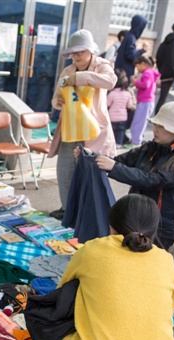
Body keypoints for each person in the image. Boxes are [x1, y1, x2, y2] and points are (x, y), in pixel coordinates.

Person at [50, 193, 174, 340]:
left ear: (111, 225)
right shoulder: (166, 261)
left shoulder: (92, 250)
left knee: (51, 328)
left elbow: (62, 293)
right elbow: (169, 309)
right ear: (154, 228)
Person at [95, 101, 174, 252]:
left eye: (161, 127)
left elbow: (154, 180)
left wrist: (114, 167)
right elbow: (121, 161)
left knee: (151, 260)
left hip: (162, 224)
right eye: (156, 124)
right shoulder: (151, 147)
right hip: (137, 215)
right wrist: (93, 158)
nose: (155, 129)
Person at [46, 29, 117, 220]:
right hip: (70, 130)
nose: (75, 56)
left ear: (90, 51)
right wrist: (57, 102)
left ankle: (89, 213)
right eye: (73, 53)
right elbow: (56, 97)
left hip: (93, 132)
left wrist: (80, 78)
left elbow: (111, 81)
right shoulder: (67, 70)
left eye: (80, 52)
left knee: (91, 175)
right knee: (65, 172)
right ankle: (67, 209)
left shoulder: (102, 66)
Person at [129, 55, 160, 146]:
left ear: (143, 64)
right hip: (147, 101)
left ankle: (135, 142)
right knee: (140, 122)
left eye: (137, 66)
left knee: (139, 122)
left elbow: (145, 85)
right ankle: (136, 140)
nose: (137, 68)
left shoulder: (147, 73)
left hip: (145, 101)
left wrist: (135, 81)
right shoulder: (151, 72)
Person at [114, 15, 148, 80]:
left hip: (121, 70)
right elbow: (131, 55)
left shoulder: (129, 36)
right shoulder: (131, 38)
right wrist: (143, 50)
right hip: (125, 72)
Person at [107, 69, 134, 148]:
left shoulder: (112, 93)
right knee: (120, 132)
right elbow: (130, 106)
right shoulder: (127, 94)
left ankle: (111, 144)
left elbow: (107, 104)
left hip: (112, 118)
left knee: (111, 132)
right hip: (123, 117)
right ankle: (118, 144)